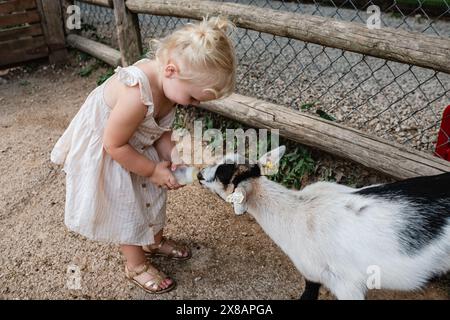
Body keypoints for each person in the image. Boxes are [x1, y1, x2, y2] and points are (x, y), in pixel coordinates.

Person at [50, 16, 236, 294]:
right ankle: (135, 264)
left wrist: (171, 156)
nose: (194, 104)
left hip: (133, 142)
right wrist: (151, 170)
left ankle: (153, 241)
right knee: (127, 202)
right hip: (112, 147)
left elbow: (159, 131)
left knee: (153, 194)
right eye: (193, 98)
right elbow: (114, 144)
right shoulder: (137, 93)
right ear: (171, 71)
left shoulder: (171, 87)